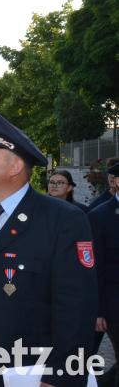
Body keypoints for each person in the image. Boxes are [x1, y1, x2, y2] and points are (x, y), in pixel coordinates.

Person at [0, 112, 97, 387]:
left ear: (15, 166)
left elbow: (77, 308)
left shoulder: (63, 220)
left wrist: (60, 375)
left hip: (29, 373)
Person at [89, 162, 119, 387]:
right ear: (116, 181)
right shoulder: (100, 215)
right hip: (113, 302)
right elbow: (94, 266)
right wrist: (98, 310)